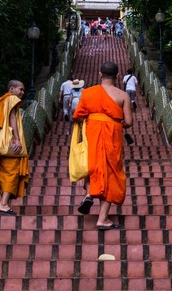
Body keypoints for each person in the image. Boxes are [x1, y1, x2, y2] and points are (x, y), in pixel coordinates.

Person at [73, 61, 133, 230]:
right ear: (118, 76)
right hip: (112, 136)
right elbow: (128, 122)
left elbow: (77, 116)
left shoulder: (88, 93)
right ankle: (102, 219)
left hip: (92, 133)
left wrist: (95, 118)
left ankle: (90, 193)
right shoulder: (123, 96)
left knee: (92, 168)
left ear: (100, 74)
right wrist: (112, 120)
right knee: (111, 174)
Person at [0, 80, 29, 216]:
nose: (22, 92)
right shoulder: (11, 99)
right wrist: (17, 139)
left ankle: (4, 203)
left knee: (6, 173)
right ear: (11, 89)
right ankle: (3, 204)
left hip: (2, 144)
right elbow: (11, 118)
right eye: (20, 89)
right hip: (11, 143)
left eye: (23, 90)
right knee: (12, 172)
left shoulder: (3, 101)